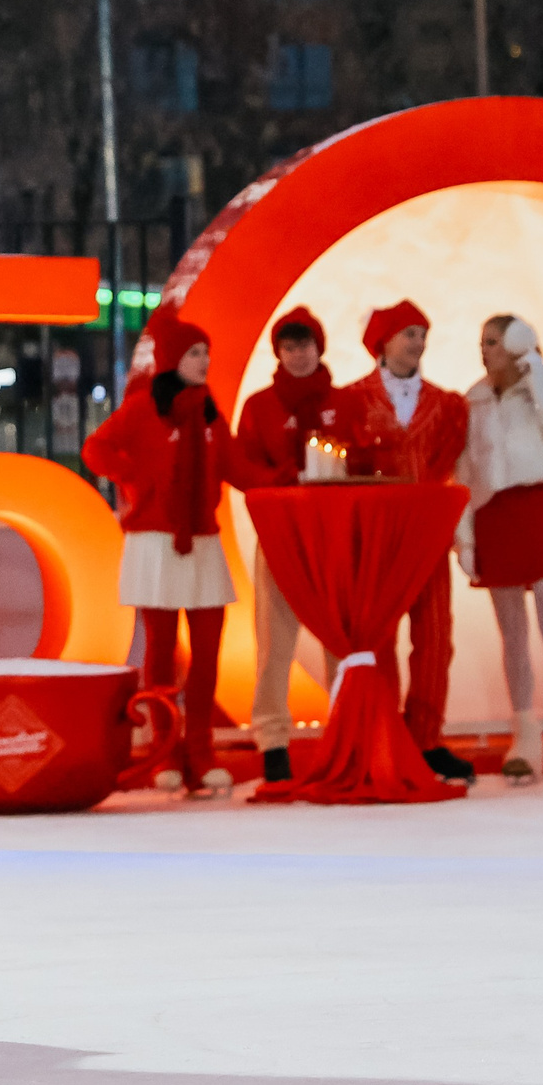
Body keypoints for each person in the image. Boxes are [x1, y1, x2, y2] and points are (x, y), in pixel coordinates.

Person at [314, 301, 476, 785]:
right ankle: (383, 735)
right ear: (383, 341)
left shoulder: (448, 406)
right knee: (378, 639)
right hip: (377, 539)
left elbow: (448, 466)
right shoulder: (350, 401)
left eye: (422, 333)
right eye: (409, 333)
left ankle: (426, 739)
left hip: (426, 536)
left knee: (434, 639)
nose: (418, 342)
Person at [83, 310, 238, 797]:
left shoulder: (209, 407)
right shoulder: (143, 406)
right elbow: (97, 450)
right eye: (195, 352)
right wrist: (139, 480)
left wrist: (285, 480)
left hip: (202, 539)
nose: (204, 361)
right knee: (162, 655)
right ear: (173, 360)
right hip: (155, 541)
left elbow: (234, 461)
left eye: (206, 352)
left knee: (209, 651)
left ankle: (201, 750)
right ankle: (165, 752)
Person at [456, 313, 543, 784]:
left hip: (540, 507)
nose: (484, 350)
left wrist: (536, 370)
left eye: (494, 341)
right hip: (496, 513)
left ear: (517, 346)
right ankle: (526, 736)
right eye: (483, 341)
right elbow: (464, 472)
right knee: (512, 632)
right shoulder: (472, 403)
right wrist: (465, 536)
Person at [231, 307, 339, 784]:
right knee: (274, 641)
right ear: (278, 352)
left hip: (332, 533)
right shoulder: (259, 407)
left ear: (320, 348)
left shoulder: (345, 402)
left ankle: (346, 726)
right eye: (290, 347)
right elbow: (243, 466)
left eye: (306, 345)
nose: (299, 355)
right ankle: (273, 738)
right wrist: (280, 483)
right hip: (279, 534)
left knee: (342, 634)